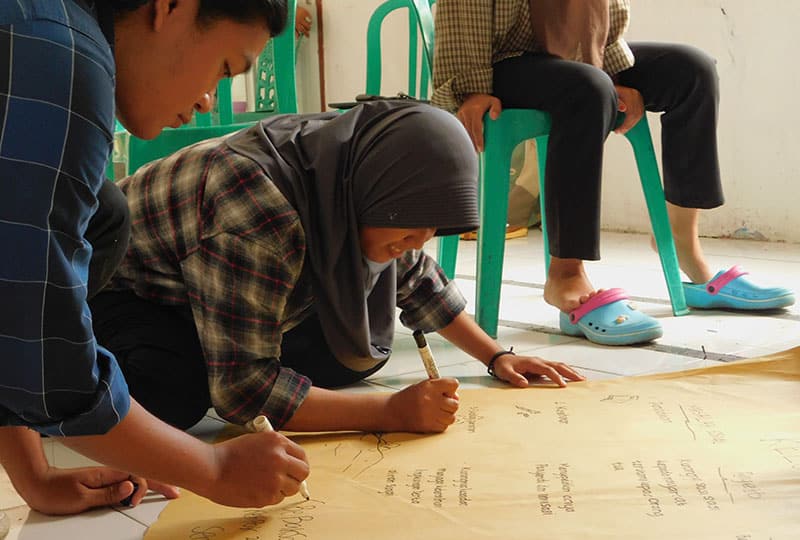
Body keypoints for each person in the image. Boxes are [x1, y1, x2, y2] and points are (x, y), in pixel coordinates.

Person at [89, 101, 584, 435]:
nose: (418, 242)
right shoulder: (257, 208)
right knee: (178, 391)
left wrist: (497, 357)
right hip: (125, 292)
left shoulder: (357, 174)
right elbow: (241, 393)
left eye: (432, 229)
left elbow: (418, 281)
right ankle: (89, 366)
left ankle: (223, 348)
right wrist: (388, 411)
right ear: (370, 194)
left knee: (353, 350)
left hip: (226, 284)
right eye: (409, 229)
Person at [0, 0, 309, 516]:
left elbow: (11, 290)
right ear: (170, 7)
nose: (211, 100)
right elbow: (45, 355)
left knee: (103, 215)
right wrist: (212, 468)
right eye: (224, 68)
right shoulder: (62, 53)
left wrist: (34, 474)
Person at [431, 0, 795, 346]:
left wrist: (614, 73)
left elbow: (605, 11)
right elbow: (463, 12)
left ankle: (683, 243)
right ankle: (566, 277)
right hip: (501, 63)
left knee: (692, 71)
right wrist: (471, 86)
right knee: (588, 89)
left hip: (578, 59)